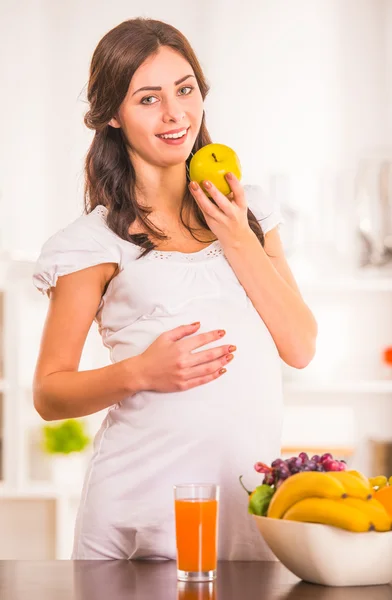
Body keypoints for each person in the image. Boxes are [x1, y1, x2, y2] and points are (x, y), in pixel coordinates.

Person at [32, 17, 317, 560]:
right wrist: (140, 372)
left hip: (241, 510)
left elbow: (300, 346)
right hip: (135, 516)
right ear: (112, 115)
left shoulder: (250, 212)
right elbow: (49, 392)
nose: (175, 114)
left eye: (185, 89)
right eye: (148, 98)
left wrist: (236, 234)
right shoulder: (92, 243)